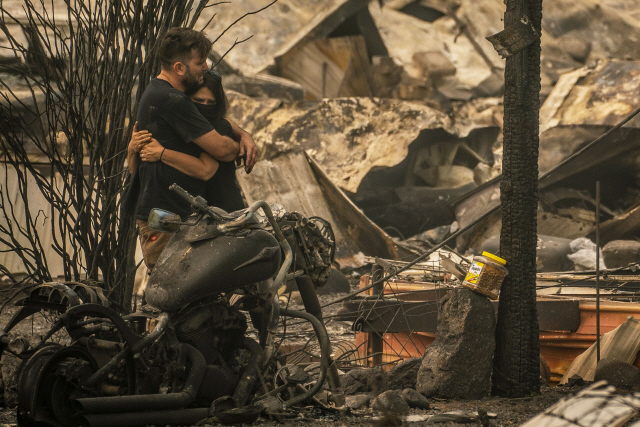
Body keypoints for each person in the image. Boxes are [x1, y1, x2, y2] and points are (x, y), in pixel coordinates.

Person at [125, 27, 257, 272]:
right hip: (167, 216)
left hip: (166, 214)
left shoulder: (156, 92)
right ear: (179, 68)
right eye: (200, 62)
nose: (205, 67)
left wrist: (240, 131)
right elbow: (223, 151)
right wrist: (238, 142)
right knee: (173, 296)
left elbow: (213, 120)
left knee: (182, 295)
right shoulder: (174, 101)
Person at [135, 70, 249, 213]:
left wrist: (162, 153)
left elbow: (206, 170)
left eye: (211, 103)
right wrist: (132, 149)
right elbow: (137, 172)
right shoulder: (178, 128)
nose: (205, 107)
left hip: (225, 212)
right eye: (199, 101)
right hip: (185, 213)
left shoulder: (218, 128)